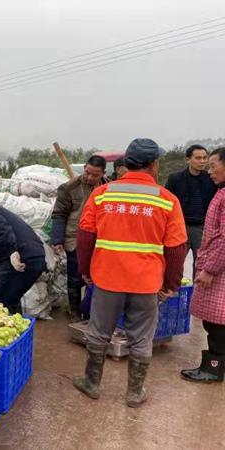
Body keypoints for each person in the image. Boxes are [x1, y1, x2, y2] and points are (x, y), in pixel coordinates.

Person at [74, 138, 187, 407]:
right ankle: (135, 392)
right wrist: (170, 284)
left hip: (107, 278)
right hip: (146, 282)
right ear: (154, 164)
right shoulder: (168, 201)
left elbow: (85, 237)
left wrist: (84, 270)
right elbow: (176, 249)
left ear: (127, 163)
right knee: (141, 337)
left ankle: (92, 383)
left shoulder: (103, 195)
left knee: (99, 333)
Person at [181, 147, 225, 383]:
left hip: (219, 270)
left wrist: (210, 269)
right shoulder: (221, 190)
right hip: (217, 264)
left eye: (213, 166)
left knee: (217, 322)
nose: (210, 171)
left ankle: (213, 368)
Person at [51, 155, 108, 321]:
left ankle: (91, 311)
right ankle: (75, 312)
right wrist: (57, 239)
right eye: (88, 172)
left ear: (103, 173)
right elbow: (59, 214)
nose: (90, 177)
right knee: (75, 277)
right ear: (84, 168)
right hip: (75, 239)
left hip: (101, 240)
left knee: (97, 278)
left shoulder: (109, 187)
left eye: (95, 175)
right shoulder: (69, 188)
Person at [165, 144, 217, 278]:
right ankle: (172, 291)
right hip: (179, 227)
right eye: (198, 158)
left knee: (200, 265)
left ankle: (196, 294)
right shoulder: (175, 178)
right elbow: (167, 203)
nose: (202, 161)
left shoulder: (211, 178)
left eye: (204, 158)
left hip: (202, 228)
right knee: (174, 263)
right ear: (188, 159)